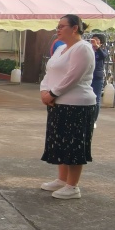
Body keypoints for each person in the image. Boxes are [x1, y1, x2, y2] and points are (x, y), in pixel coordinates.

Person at [39, 15, 95, 200]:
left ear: (75, 28)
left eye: (62, 26)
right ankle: (62, 179)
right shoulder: (60, 48)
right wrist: (44, 91)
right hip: (58, 103)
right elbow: (49, 72)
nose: (58, 29)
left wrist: (53, 93)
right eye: (58, 26)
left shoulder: (82, 48)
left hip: (77, 104)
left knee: (73, 144)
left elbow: (73, 77)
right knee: (60, 142)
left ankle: (72, 186)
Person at [90, 33, 109, 126]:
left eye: (96, 39)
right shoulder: (88, 50)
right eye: (92, 39)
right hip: (86, 76)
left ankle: (94, 120)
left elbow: (103, 56)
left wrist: (97, 47)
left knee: (96, 99)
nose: (93, 41)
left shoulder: (102, 50)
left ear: (101, 42)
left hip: (97, 77)